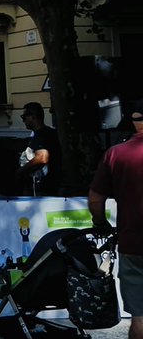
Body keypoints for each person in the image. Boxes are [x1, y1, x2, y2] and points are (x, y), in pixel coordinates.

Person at [89, 100, 143, 339]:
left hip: (132, 245)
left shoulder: (116, 153)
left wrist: (100, 224)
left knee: (140, 318)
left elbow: (95, 198)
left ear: (134, 121)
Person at [16, 101, 63, 196]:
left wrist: (20, 171)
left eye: (24, 117)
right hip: (41, 187)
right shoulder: (44, 134)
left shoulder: (43, 134)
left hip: (42, 188)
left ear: (33, 117)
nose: (23, 120)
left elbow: (42, 157)